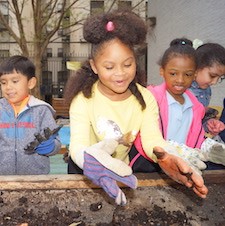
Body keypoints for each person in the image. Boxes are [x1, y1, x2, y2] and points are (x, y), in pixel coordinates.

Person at [63, 10, 208, 205]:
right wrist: (92, 162)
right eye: (109, 67)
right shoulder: (83, 100)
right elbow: (78, 145)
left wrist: (167, 156)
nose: (120, 73)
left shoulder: (145, 98)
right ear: (95, 66)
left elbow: (152, 139)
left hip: (121, 173)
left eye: (127, 64)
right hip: (84, 174)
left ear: (135, 61)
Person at [133, 38, 225, 172]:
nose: (180, 80)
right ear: (162, 71)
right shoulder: (151, 97)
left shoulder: (195, 107)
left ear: (194, 74)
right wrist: (169, 153)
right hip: (150, 166)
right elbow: (143, 136)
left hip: (180, 168)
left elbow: (196, 137)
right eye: (173, 73)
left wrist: (207, 146)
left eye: (187, 74)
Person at [0, 55, 62, 175]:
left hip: (35, 180)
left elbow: (57, 143)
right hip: (3, 180)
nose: (8, 87)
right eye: (3, 82)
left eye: (15, 81)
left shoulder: (41, 110)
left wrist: (50, 146)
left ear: (31, 83)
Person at [189, 42, 225, 137]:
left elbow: (199, 120)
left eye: (220, 78)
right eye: (212, 76)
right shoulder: (182, 88)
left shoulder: (206, 91)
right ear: (196, 68)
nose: (214, 82)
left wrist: (209, 125)